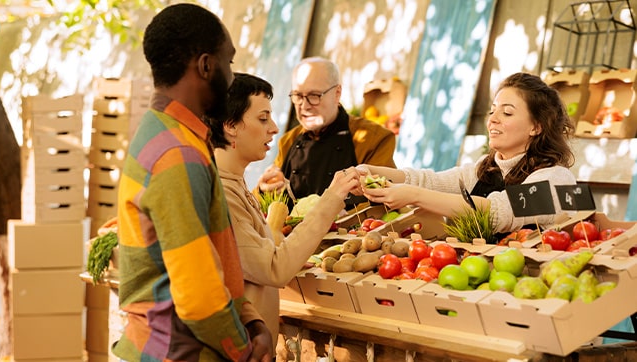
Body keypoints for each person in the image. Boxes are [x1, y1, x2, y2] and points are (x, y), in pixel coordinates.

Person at [113, 4, 272, 361]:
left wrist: (250, 319)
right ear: (205, 65)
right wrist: (243, 350)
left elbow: (210, 261)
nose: (232, 78)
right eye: (228, 63)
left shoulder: (165, 132)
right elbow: (200, 298)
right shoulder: (177, 154)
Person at [210, 72, 358, 353]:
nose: (274, 128)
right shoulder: (222, 194)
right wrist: (332, 197)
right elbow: (274, 269)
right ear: (230, 126)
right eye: (263, 118)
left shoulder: (236, 185)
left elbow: (262, 255)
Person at [355, 72, 577, 234]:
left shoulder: (556, 180)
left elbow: (495, 213)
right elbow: (429, 181)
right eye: (492, 111)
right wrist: (369, 172)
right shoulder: (487, 168)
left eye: (507, 113)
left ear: (536, 127)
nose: (493, 119)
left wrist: (412, 195)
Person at [256, 56, 396, 208]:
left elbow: (385, 200)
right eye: (297, 96)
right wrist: (265, 190)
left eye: (314, 96)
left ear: (337, 93)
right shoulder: (288, 141)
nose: (305, 105)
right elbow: (271, 205)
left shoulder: (373, 138)